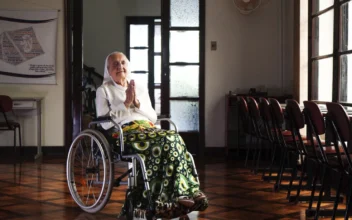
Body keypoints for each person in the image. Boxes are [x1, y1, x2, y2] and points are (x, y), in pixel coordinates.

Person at [95, 52, 208, 219]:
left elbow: (153, 117)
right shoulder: (104, 90)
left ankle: (183, 194)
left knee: (173, 138)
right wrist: (126, 103)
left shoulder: (139, 87)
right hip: (125, 133)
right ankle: (162, 200)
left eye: (123, 62)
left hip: (148, 129)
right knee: (162, 142)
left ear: (128, 66)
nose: (120, 66)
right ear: (108, 70)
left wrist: (137, 103)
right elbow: (104, 122)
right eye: (115, 64)